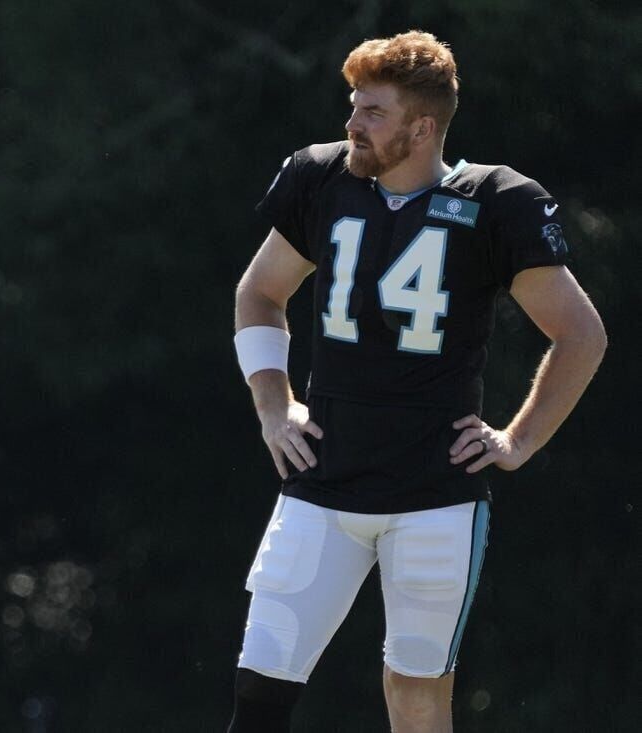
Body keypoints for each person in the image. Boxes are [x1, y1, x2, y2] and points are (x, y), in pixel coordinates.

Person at [228, 31, 605, 733]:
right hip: (324, 477)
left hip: (433, 493)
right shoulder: (320, 179)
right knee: (262, 681)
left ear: (421, 126)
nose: (351, 125)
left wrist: (518, 439)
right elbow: (260, 293)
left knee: (415, 689)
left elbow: (581, 334)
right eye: (353, 106)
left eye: (372, 111)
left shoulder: (494, 200)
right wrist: (273, 405)